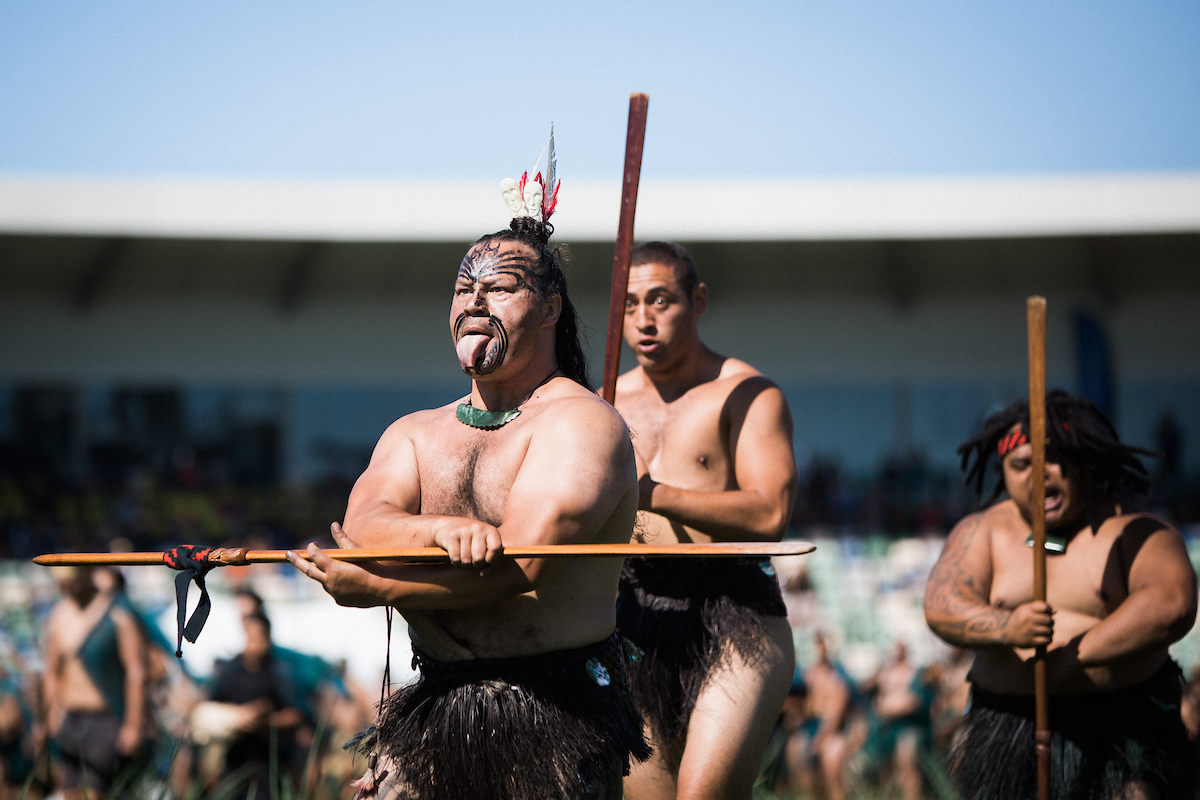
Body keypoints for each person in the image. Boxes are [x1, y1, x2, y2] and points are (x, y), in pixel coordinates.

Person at [286, 214, 649, 800]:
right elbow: (363, 529)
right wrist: (442, 530)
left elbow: (519, 568)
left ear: (551, 309)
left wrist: (381, 586)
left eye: (499, 288)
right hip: (437, 704)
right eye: (463, 289)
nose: (475, 302)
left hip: (552, 711)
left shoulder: (583, 425)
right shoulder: (414, 433)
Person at [924, 390, 1198, 800]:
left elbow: (1172, 604)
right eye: (1021, 465)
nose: (1039, 474)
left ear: (1082, 458)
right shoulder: (982, 532)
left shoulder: (1134, 531)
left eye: (1053, 458)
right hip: (1010, 725)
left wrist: (1074, 656)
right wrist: (1007, 627)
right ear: (1003, 470)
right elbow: (941, 605)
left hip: (1122, 726)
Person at [612, 241, 798, 799]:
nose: (644, 319)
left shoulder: (746, 393)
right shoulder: (602, 403)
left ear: (698, 300)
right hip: (637, 610)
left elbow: (771, 512)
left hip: (735, 610)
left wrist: (653, 494)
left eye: (661, 300)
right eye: (629, 303)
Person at [42, 565, 147, 799]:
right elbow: (52, 671)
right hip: (69, 717)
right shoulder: (59, 615)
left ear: (85, 575)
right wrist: (51, 713)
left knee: (93, 792)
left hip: (104, 717)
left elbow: (135, 672)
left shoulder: (116, 614)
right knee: (70, 791)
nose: (65, 586)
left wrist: (133, 724)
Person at [207, 613, 304, 800]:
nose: (254, 644)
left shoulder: (279, 672)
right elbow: (212, 704)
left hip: (269, 765)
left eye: (259, 638)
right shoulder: (231, 670)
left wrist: (265, 723)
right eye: (250, 637)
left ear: (268, 638)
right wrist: (234, 719)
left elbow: (296, 716)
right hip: (234, 763)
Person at [858, 642, 929, 800]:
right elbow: (872, 697)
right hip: (885, 728)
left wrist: (890, 707)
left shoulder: (915, 673)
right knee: (883, 766)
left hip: (908, 726)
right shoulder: (884, 673)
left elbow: (914, 702)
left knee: (906, 760)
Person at [785, 632, 851, 800]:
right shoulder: (805, 676)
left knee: (833, 771)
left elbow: (836, 713)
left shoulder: (836, 678)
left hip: (829, 729)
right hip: (809, 726)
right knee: (801, 772)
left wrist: (821, 739)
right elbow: (798, 706)